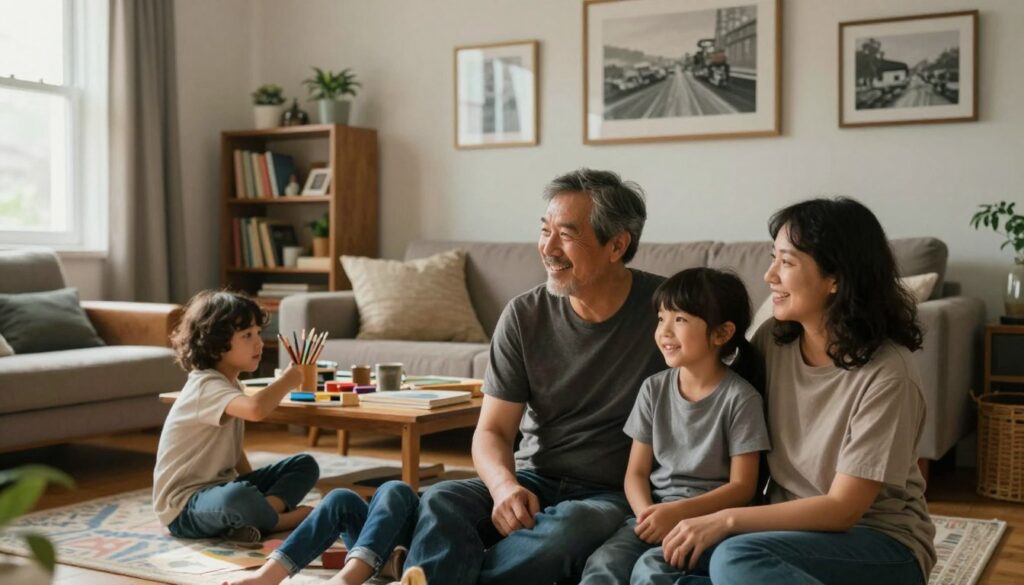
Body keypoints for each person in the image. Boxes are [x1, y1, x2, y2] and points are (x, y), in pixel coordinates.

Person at [400, 169, 668, 585]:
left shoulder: (667, 315)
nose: (547, 248)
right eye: (545, 231)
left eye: (566, 234)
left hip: (612, 493)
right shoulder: (524, 315)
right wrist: (504, 487)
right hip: (532, 480)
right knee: (441, 499)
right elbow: (492, 430)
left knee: (571, 529)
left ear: (617, 245)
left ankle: (437, 573)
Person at [658, 197, 936, 585]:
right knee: (659, 566)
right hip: (780, 532)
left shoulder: (889, 375)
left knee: (737, 559)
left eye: (786, 262)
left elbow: (843, 509)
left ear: (835, 278)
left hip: (878, 544)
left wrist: (726, 520)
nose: (769, 275)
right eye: (773, 258)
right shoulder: (774, 340)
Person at [579, 267, 771, 584]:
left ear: (721, 334)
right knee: (604, 564)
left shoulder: (741, 399)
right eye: (661, 318)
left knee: (651, 571)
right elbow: (636, 473)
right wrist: (646, 514)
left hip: (710, 523)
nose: (665, 331)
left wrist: (678, 514)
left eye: (680, 320)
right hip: (654, 514)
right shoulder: (653, 389)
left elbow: (743, 488)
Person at [153, 290, 319, 543]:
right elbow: (256, 410)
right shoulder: (205, 386)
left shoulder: (231, 385)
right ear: (217, 344)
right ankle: (277, 520)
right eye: (247, 335)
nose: (259, 343)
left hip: (220, 491)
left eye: (258, 333)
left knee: (305, 465)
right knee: (236, 498)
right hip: (184, 508)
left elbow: (232, 448)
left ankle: (259, 514)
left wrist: (252, 485)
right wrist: (288, 380)